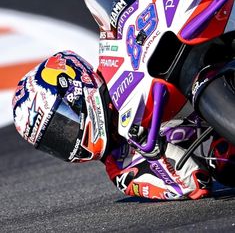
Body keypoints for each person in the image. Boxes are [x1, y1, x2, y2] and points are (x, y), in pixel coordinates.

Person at [13, 51, 213, 200]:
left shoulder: (114, 59)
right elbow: (194, 183)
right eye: (53, 140)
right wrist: (148, 146)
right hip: (216, 135)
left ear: (72, 87)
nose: (65, 136)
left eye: (61, 123)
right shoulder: (121, 169)